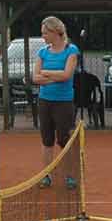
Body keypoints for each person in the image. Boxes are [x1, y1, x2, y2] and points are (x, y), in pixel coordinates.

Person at [32, 15, 79, 188]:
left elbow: (67, 75)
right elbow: (35, 78)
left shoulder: (71, 50)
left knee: (64, 140)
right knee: (47, 140)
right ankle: (46, 175)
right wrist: (55, 76)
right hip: (45, 101)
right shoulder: (42, 52)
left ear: (55, 32)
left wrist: (46, 73)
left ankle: (70, 175)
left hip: (64, 102)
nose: (43, 36)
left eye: (45, 33)